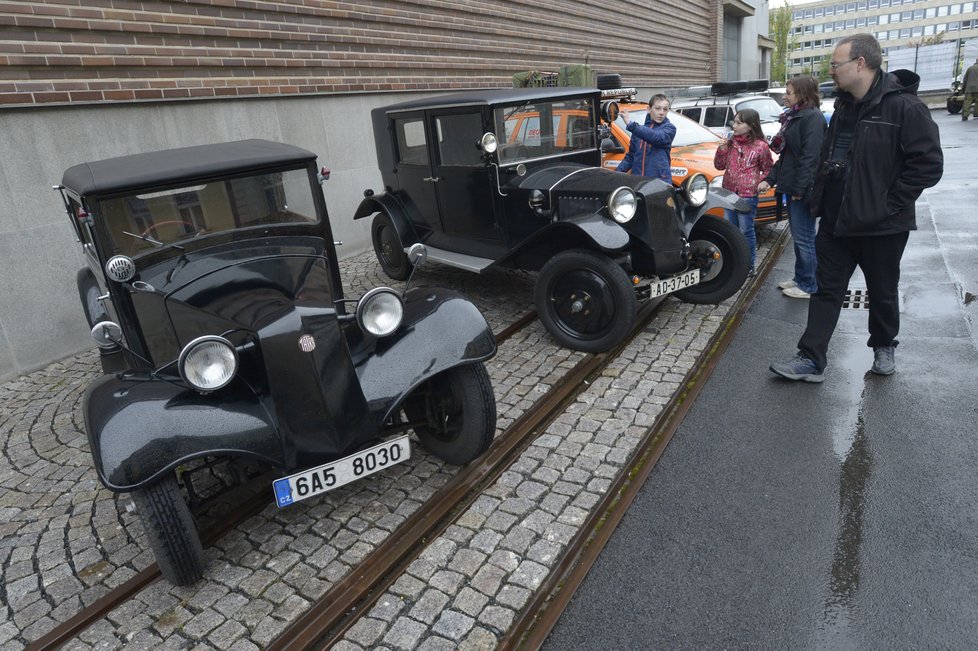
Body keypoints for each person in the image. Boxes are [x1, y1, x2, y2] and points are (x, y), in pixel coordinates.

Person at [770, 33, 943, 383]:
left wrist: (889, 204)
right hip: (836, 221)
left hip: (883, 226)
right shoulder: (843, 106)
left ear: (860, 64)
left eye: (836, 64)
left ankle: (883, 344)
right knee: (826, 289)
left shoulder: (905, 108)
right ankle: (811, 359)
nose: (831, 71)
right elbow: (829, 156)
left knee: (881, 291)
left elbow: (928, 165)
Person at [759, 76, 826, 299]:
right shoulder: (794, 117)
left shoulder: (812, 118)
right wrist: (770, 179)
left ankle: (809, 284)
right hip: (793, 186)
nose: (784, 96)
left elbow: (810, 158)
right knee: (798, 237)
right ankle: (801, 277)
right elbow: (788, 157)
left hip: (803, 190)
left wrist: (799, 190)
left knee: (804, 237)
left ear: (802, 94)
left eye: (788, 92)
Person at [713, 108, 773, 276]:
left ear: (751, 125)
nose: (735, 125)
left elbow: (768, 168)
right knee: (730, 230)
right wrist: (722, 149)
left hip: (747, 194)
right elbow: (719, 165)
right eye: (734, 121)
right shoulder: (731, 143)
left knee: (746, 231)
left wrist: (762, 182)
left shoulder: (760, 146)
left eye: (739, 122)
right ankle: (732, 263)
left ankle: (748, 264)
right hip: (728, 193)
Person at [616, 94, 676, 182]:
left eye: (665, 109)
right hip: (638, 182)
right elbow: (631, 157)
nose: (661, 112)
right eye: (658, 108)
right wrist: (616, 173)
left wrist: (631, 124)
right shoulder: (638, 131)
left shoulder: (670, 128)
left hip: (660, 183)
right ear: (648, 109)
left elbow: (656, 137)